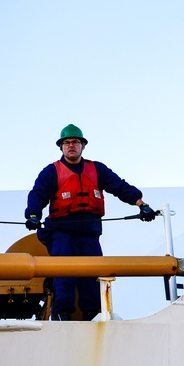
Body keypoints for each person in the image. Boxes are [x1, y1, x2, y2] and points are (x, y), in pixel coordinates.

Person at [24, 124, 156, 321]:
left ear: (83, 146)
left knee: (93, 278)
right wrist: (33, 215)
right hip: (62, 234)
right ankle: (63, 316)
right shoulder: (51, 172)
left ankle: (93, 318)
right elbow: (38, 193)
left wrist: (141, 204)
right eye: (67, 143)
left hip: (89, 235)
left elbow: (119, 186)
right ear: (61, 147)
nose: (71, 146)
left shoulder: (97, 170)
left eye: (75, 142)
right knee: (64, 277)